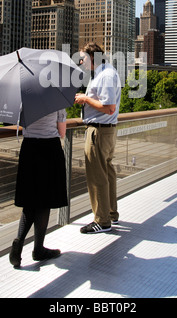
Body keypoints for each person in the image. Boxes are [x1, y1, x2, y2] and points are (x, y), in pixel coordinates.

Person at [9, 109, 67, 268]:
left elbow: (22, 125)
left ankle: (19, 242)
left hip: (29, 149)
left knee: (30, 201)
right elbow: (62, 132)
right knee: (44, 202)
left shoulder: (24, 96)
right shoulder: (56, 96)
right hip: (49, 149)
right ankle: (38, 249)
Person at [74, 42, 121, 234]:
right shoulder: (105, 73)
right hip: (105, 131)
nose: (81, 62)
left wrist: (85, 99)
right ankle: (110, 214)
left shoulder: (106, 75)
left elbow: (109, 107)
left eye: (83, 58)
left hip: (99, 132)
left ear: (92, 57)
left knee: (97, 176)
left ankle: (102, 221)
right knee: (107, 173)